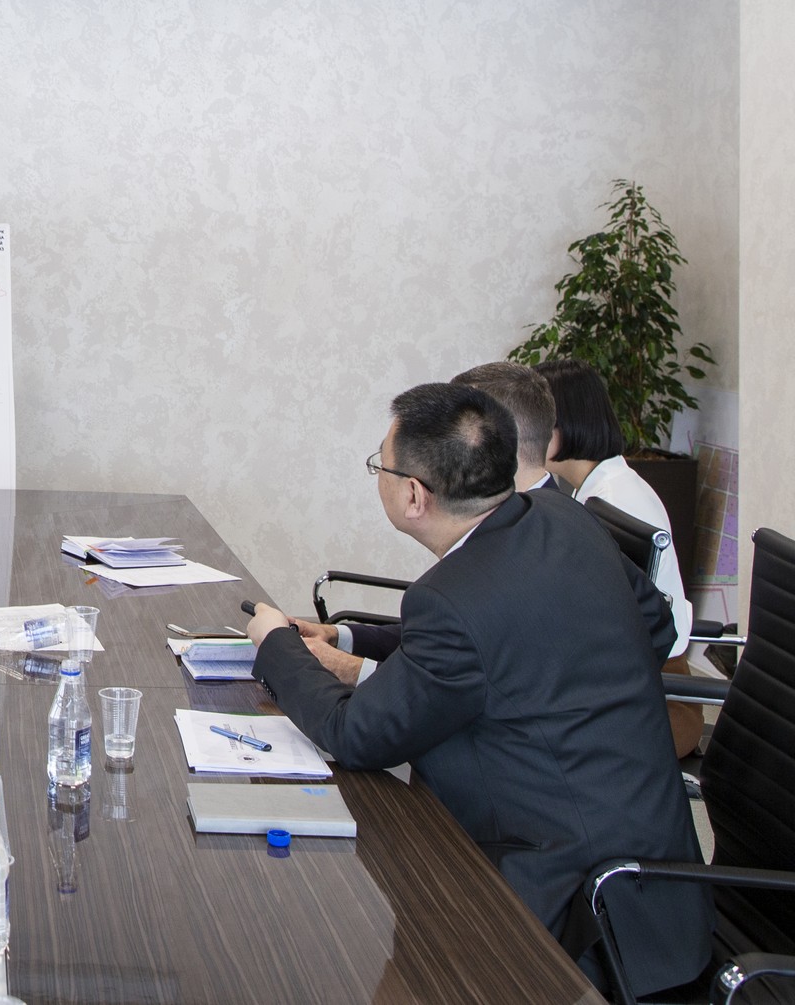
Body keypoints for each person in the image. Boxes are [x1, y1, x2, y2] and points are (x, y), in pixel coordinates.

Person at [246, 383, 710, 998]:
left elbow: (355, 735)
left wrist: (274, 644)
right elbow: (653, 626)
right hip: (659, 869)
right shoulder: (562, 516)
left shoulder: (453, 598)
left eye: (380, 465)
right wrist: (348, 638)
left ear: (414, 495)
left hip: (575, 906)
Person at [305, 361, 572, 683]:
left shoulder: (544, 548)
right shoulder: (534, 518)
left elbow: (465, 681)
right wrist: (343, 637)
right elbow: (452, 643)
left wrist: (341, 666)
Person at [537, 357, 701, 754]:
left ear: (565, 424)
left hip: (660, 700)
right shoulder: (596, 489)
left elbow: (604, 628)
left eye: (536, 421)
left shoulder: (616, 501)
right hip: (632, 683)